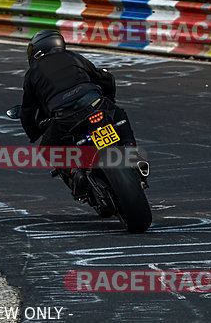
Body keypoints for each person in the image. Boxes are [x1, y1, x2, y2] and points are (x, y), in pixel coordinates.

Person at [20, 30, 137, 198]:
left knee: (47, 149)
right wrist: (108, 100)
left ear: (39, 50)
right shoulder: (73, 57)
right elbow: (105, 78)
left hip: (66, 116)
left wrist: (33, 132)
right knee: (119, 115)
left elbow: (28, 109)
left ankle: (74, 171)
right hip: (95, 104)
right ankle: (130, 150)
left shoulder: (32, 73)